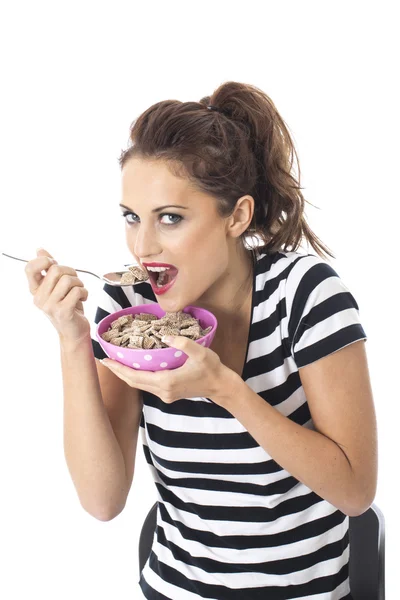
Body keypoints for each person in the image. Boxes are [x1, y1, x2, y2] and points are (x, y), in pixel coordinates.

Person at [25, 81, 378, 600]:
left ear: (236, 216)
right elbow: (102, 501)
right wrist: (73, 340)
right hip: (175, 588)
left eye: (170, 218)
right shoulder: (128, 309)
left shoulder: (305, 295)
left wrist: (225, 389)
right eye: (131, 217)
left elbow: (354, 493)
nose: (143, 247)